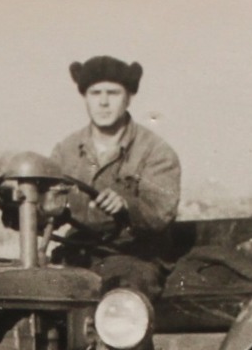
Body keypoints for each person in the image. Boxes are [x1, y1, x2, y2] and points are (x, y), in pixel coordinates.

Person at [50, 55, 181, 295]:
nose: (103, 102)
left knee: (119, 295)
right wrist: (26, 203)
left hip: (135, 258)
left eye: (113, 93)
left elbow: (161, 212)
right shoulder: (65, 150)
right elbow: (48, 207)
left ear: (129, 98)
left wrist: (125, 206)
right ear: (85, 98)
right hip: (78, 253)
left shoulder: (155, 151)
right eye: (95, 93)